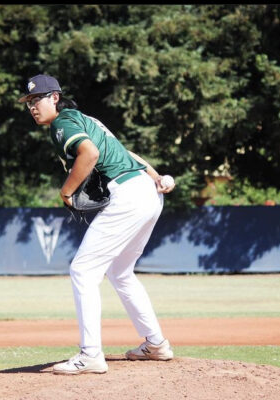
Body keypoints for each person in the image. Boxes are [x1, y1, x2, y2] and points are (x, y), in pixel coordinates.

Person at [19, 74, 175, 375]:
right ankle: (156, 344)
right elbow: (123, 151)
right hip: (145, 191)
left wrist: (66, 191)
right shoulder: (85, 119)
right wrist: (154, 175)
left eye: (37, 99)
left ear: (54, 97)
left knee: (82, 270)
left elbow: (89, 154)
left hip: (128, 195)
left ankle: (90, 354)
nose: (32, 107)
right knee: (120, 272)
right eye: (28, 102)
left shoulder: (63, 122)